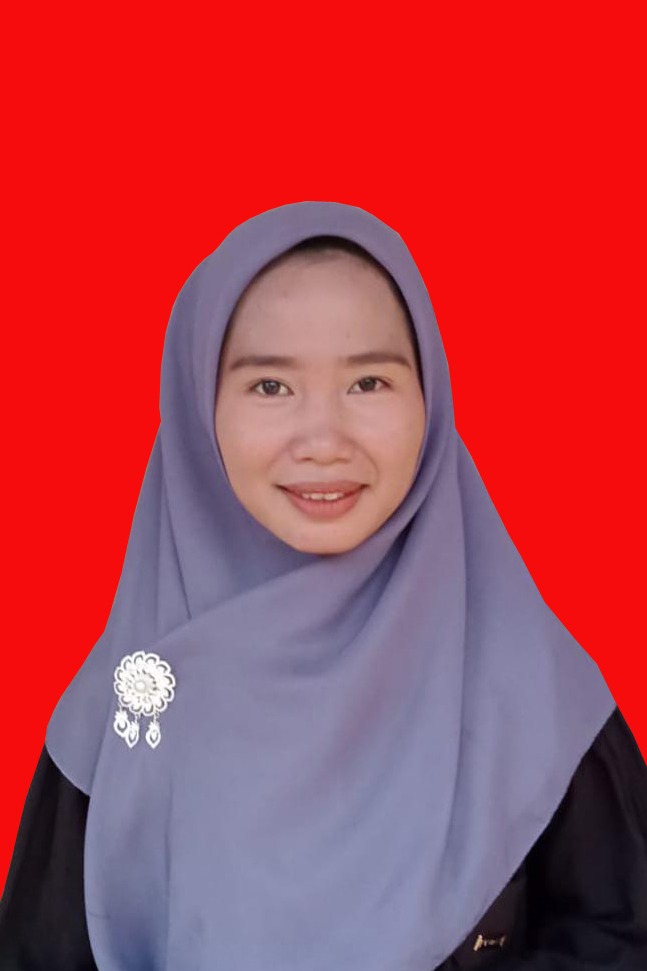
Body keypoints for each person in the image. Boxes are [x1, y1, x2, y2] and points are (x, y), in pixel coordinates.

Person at [0, 201, 645, 969]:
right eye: (270, 386)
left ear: (430, 400)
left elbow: (621, 936)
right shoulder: (131, 707)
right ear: (197, 409)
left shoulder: (532, 688)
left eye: (368, 381)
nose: (323, 441)